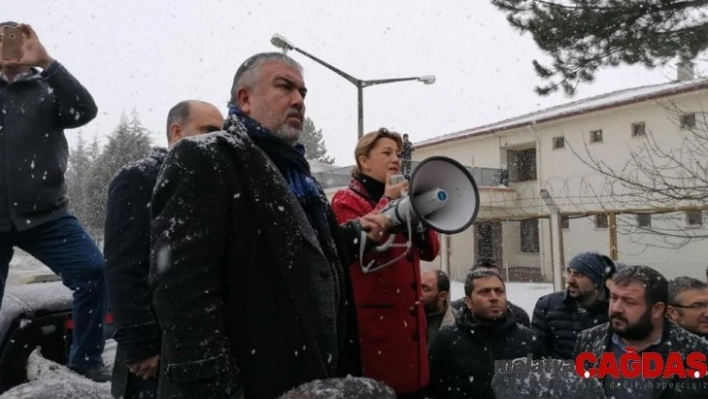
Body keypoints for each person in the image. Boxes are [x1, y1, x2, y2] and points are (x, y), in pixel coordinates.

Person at [149, 52, 391, 399]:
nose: (298, 100)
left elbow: (306, 253)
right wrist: (216, 390)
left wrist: (355, 235)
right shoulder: (204, 158)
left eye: (303, 93)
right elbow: (181, 292)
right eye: (285, 87)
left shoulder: (298, 173)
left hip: (311, 382)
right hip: (250, 384)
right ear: (244, 99)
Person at [0, 22, 108, 381]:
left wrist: (48, 62)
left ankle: (86, 361)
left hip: (48, 216)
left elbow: (85, 110)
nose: (8, 47)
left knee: (94, 272)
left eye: (14, 39)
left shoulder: (47, 87)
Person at [104, 100, 224, 399]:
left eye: (221, 134)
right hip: (153, 357)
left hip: (196, 352)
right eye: (208, 131)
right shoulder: (140, 178)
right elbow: (123, 266)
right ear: (176, 131)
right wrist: (141, 344)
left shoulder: (208, 184)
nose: (216, 141)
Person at [331, 128, 440, 399]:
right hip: (373, 333)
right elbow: (359, 245)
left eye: (398, 154)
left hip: (409, 333)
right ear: (364, 161)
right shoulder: (346, 200)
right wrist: (388, 202)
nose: (396, 160)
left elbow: (431, 251)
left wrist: (418, 214)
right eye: (387, 153)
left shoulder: (407, 198)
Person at [574, 266, 708, 399]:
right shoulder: (589, 341)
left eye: (629, 302)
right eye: (614, 298)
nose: (616, 308)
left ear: (657, 309)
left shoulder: (695, 350)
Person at [428, 270, 543, 399]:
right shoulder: (446, 340)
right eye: (484, 292)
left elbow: (541, 388)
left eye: (499, 291)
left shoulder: (528, 340)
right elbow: (434, 390)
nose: (494, 297)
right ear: (469, 301)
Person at [531, 251, 615, 359]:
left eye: (578, 275)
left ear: (597, 281)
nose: (569, 280)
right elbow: (537, 353)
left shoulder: (615, 309)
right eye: (569, 272)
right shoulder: (547, 306)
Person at [450, 258, 530, 327]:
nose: (493, 297)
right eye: (481, 276)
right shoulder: (452, 312)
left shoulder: (518, 316)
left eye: (494, 276)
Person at [421, 268, 455, 344]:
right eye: (417, 287)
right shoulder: (407, 319)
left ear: (442, 296)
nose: (418, 293)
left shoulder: (457, 326)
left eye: (425, 288)